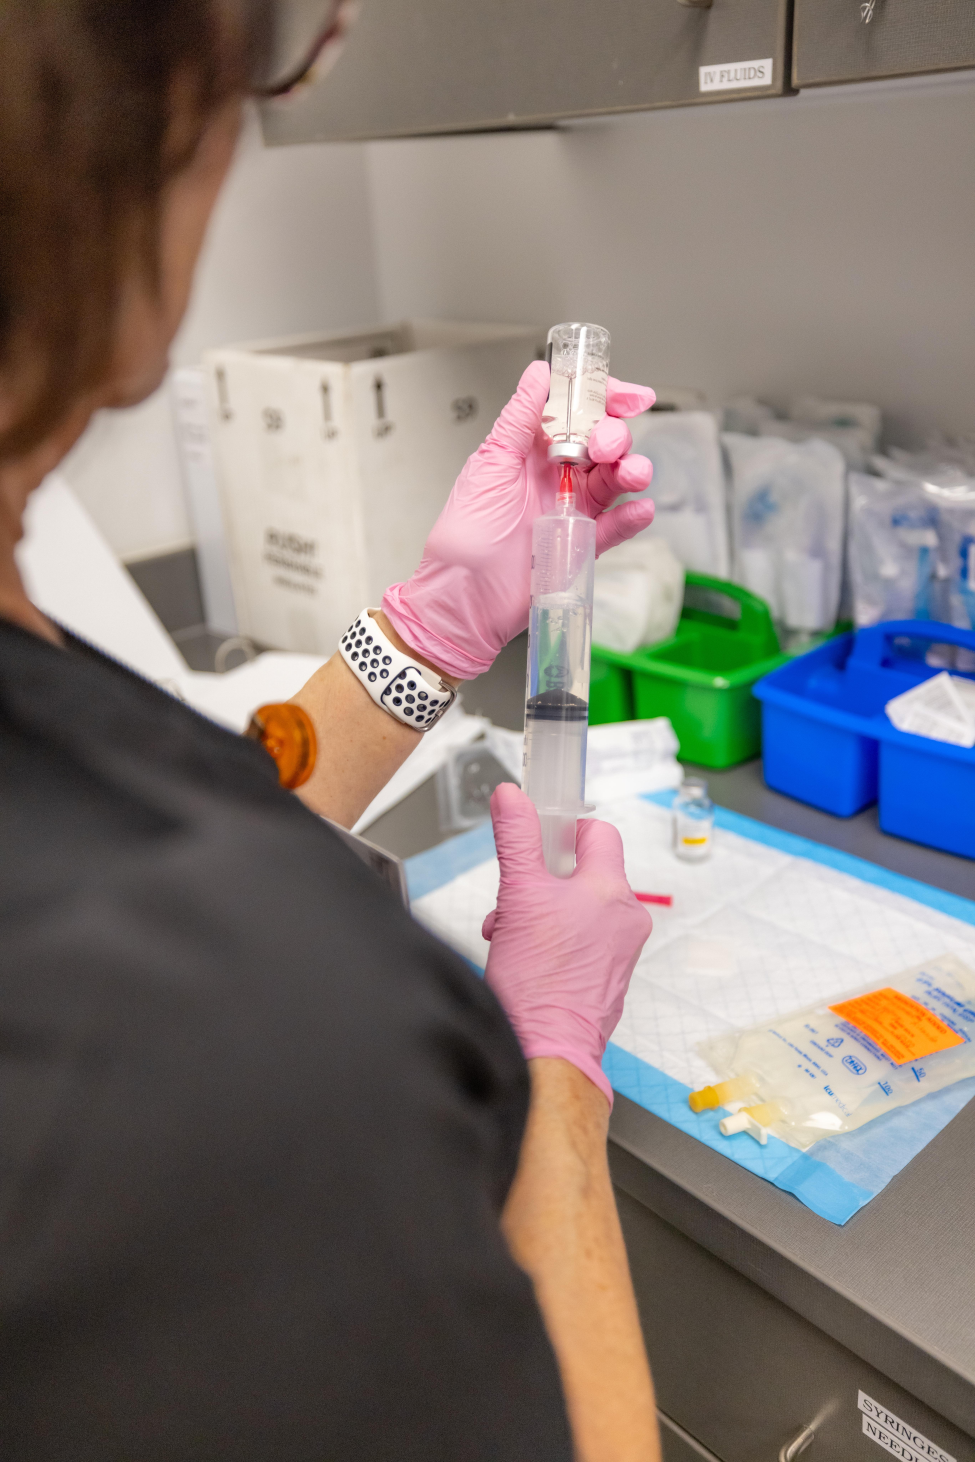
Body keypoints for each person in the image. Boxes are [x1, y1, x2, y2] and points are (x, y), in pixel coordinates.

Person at [0, 4, 662, 1458]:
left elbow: (136, 800)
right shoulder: (231, 1044)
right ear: (116, 143)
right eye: (254, 75)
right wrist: (555, 1069)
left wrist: (421, 632)